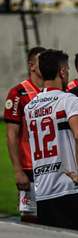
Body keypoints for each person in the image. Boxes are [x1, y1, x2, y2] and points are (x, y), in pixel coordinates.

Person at [23, 50, 78, 233]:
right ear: (62, 71)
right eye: (66, 68)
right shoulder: (69, 100)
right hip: (70, 188)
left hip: (42, 191)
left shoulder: (30, 107)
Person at [5, 46, 45, 221]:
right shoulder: (18, 93)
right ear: (32, 66)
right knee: (31, 218)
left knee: (54, 219)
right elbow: (11, 135)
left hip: (52, 168)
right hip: (29, 169)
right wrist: (17, 171)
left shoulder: (54, 91)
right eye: (42, 62)